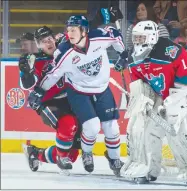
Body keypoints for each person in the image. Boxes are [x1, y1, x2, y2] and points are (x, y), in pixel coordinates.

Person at [30, 15, 126, 176]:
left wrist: (123, 54)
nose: (69, 33)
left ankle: (114, 158)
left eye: (73, 30)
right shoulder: (64, 51)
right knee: (92, 126)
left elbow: (115, 35)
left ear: (84, 31)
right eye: (68, 30)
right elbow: (52, 75)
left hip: (102, 89)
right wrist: (39, 90)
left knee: (112, 127)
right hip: (79, 92)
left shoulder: (98, 38)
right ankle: (87, 153)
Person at [118, 20, 187, 185]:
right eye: (135, 38)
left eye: (141, 38)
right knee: (141, 125)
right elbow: (141, 86)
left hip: (182, 90)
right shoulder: (133, 57)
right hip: (159, 94)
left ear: (151, 37)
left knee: (176, 121)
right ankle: (147, 167)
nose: (137, 42)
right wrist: (144, 101)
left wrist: (171, 102)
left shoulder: (171, 51)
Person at [19, 26, 80, 172]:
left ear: (54, 38)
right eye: (43, 41)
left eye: (49, 39)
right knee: (68, 123)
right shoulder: (36, 60)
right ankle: (59, 155)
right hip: (46, 101)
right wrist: (26, 71)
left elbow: (78, 31)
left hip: (69, 98)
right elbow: (27, 85)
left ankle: (35, 153)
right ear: (38, 45)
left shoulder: (64, 49)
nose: (48, 43)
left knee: (72, 154)